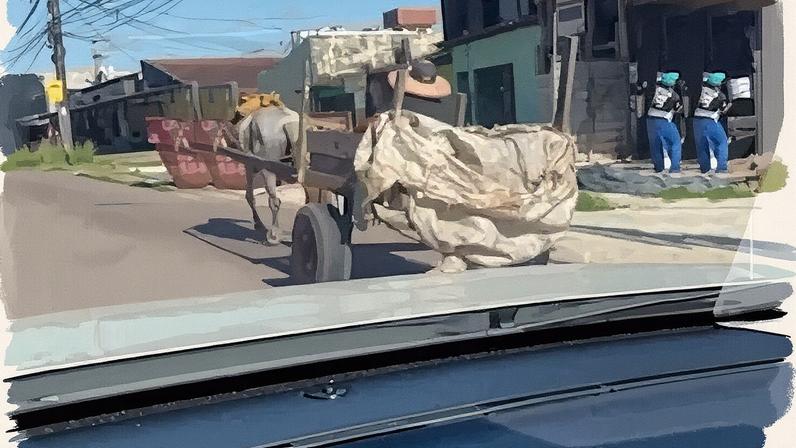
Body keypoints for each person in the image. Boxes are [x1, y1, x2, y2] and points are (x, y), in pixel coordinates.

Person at [693, 72, 731, 174]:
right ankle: (721, 168)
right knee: (721, 142)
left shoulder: (699, 89)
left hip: (696, 120)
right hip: (710, 120)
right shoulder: (720, 95)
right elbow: (723, 110)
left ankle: (705, 169)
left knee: (702, 146)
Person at [646, 72, 684, 174]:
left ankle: (659, 168)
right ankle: (675, 168)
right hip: (664, 119)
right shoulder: (674, 95)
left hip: (650, 119)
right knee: (675, 143)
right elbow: (678, 109)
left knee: (655, 145)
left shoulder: (654, 88)